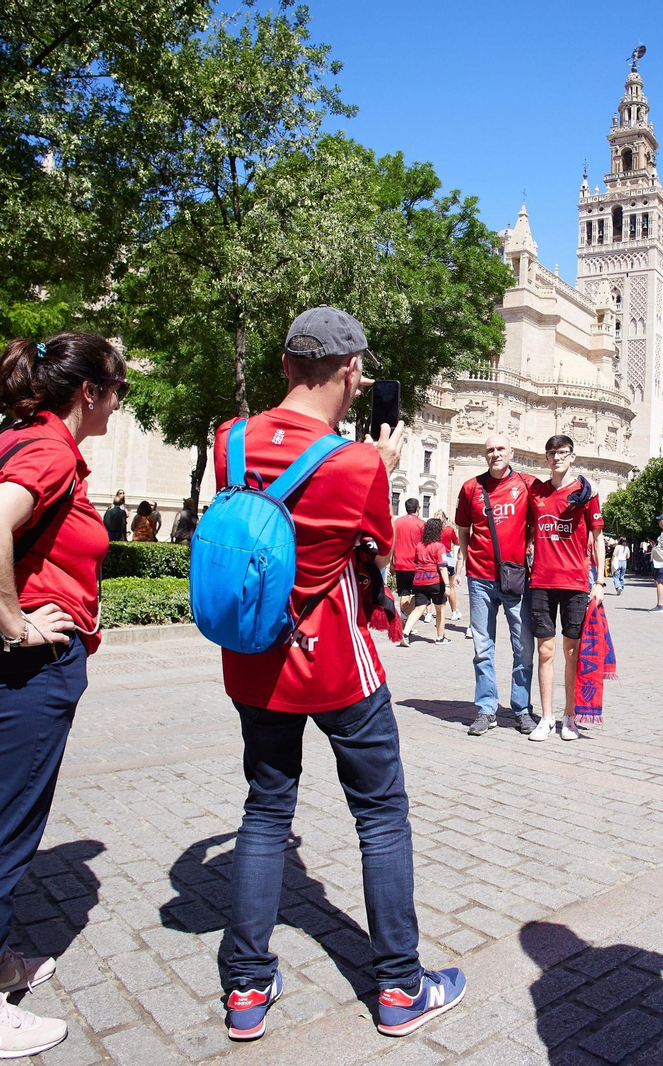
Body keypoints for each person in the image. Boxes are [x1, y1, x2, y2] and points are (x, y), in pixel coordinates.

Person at [211, 306, 464, 1043]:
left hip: (252, 658)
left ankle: (248, 989)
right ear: (351, 372)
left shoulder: (229, 440)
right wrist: (378, 469)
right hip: (334, 665)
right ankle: (398, 986)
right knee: (380, 815)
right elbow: (377, 553)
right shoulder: (355, 464)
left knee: (265, 810)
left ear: (287, 365)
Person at [0, 332, 122, 1062]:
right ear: (89, 393)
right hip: (23, 673)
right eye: (119, 392)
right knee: (1, 833)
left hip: (1, 668)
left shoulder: (14, 439)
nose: (117, 405)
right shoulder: (47, 449)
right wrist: (17, 624)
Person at [455, 434, 538, 736]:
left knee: (522, 646)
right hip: (480, 579)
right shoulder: (471, 488)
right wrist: (466, 559)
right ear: (485, 455)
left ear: (511, 452)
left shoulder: (526, 485)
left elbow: (538, 521)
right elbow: (463, 529)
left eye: (500, 448)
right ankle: (486, 708)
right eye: (490, 450)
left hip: (515, 577)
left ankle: (522, 708)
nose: (495, 454)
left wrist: (526, 547)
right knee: (482, 647)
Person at [526, 434, 605, 742]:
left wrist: (599, 581)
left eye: (562, 452)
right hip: (542, 582)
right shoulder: (536, 491)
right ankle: (546, 717)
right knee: (544, 651)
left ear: (572, 456)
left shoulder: (585, 492)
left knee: (571, 652)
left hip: (575, 582)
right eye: (551, 453)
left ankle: (568, 716)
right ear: (546, 458)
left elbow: (598, 538)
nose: (556, 457)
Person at [399, 518, 451, 646]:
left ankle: (405, 633)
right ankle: (440, 637)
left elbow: (417, 561)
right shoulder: (439, 546)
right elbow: (442, 567)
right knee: (440, 609)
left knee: (419, 608)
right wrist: (447, 585)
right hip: (435, 581)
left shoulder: (419, 545)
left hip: (419, 580)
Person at [392, 498, 424, 621]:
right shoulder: (421, 524)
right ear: (417, 509)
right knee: (419, 594)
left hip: (399, 563)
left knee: (404, 593)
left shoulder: (397, 522)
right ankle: (406, 618)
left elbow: (392, 543)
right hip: (414, 564)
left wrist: (391, 563)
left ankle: (404, 619)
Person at [435, 510, 462, 623]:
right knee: (450, 586)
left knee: (435, 585)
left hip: (435, 557)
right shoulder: (449, 530)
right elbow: (457, 542)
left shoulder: (433, 530)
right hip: (447, 557)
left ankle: (428, 613)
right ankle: (454, 612)